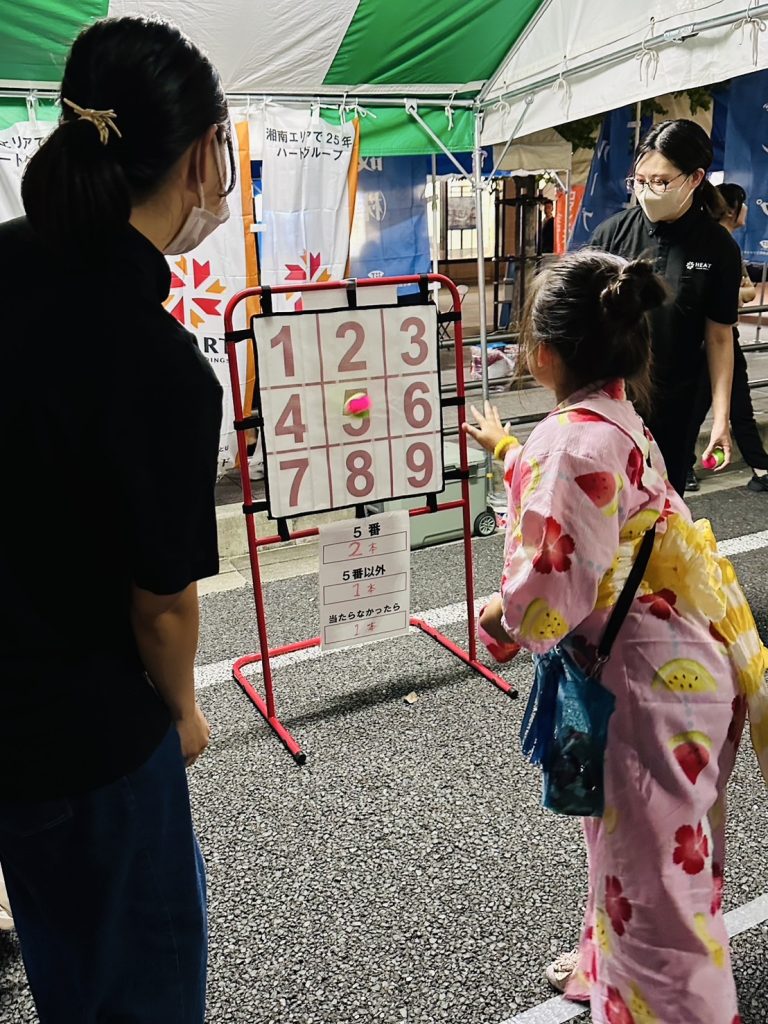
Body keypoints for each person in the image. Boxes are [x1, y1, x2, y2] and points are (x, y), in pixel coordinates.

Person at [464, 251, 768, 1023]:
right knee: (659, 865)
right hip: (691, 666)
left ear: (542, 355)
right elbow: (593, 517)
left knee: (661, 914)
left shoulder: (568, 443)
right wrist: (509, 451)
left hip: (646, 690)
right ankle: (605, 962)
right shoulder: (614, 419)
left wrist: (498, 618)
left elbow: (545, 598)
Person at [0, 15, 232, 1022]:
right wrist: (182, 710)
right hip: (87, 737)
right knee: (138, 988)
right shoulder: (157, 362)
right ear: (198, 159)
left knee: (64, 966)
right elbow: (162, 607)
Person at [589, 119, 742, 497]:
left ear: (694, 178)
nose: (648, 190)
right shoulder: (611, 234)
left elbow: (720, 337)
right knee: (606, 502)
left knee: (662, 504)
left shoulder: (717, 247)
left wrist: (721, 418)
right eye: (640, 181)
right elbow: (584, 321)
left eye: (660, 181)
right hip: (610, 396)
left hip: (677, 401)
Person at [686, 182, 768, 494]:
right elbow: (725, 294)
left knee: (733, 401)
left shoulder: (726, 244)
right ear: (732, 208)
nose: (748, 210)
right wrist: (733, 294)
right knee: (710, 403)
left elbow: (746, 290)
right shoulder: (714, 244)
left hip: (724, 335)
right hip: (710, 337)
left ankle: (759, 466)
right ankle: (682, 468)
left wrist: (734, 293)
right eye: (743, 203)